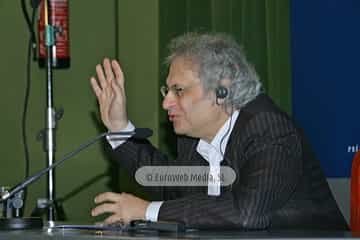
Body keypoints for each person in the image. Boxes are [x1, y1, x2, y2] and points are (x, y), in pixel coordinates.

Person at [89, 32, 348, 230]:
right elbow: (167, 184)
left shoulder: (268, 129)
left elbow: (248, 213)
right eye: (166, 91)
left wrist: (147, 211)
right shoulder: (194, 141)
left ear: (221, 91)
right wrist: (118, 127)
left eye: (178, 90)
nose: (166, 102)